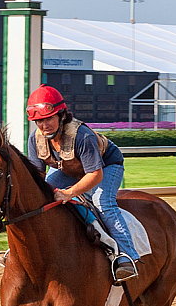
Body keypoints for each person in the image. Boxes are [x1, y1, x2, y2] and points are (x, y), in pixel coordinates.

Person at [25, 84, 139, 282]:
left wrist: (69, 193)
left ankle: (127, 258)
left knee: (103, 203)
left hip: (106, 166)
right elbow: (38, 179)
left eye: (48, 119)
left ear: (61, 115)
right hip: (69, 169)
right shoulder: (34, 141)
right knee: (43, 197)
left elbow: (94, 175)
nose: (44, 126)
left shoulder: (82, 136)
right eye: (39, 121)